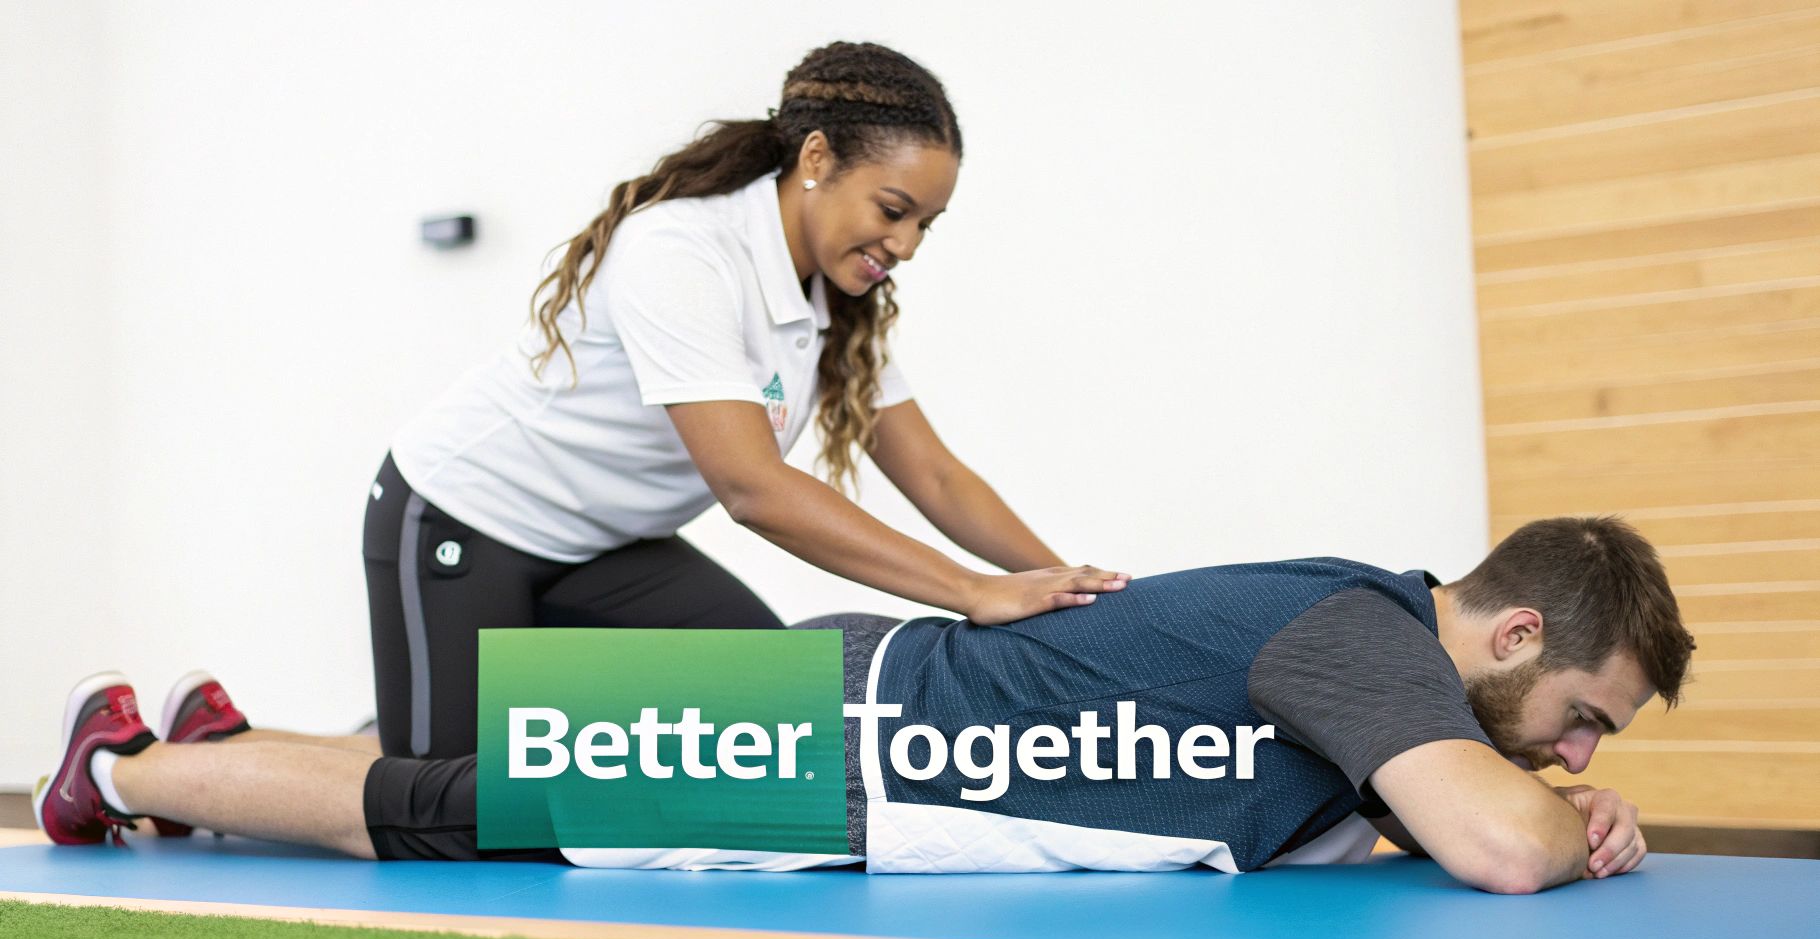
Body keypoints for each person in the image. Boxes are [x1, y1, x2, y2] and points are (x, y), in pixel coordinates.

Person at [38, 517, 1695, 894]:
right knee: (428, 815)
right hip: (817, 747)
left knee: (458, 778)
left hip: (850, 710)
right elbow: (1498, 848)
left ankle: (205, 749)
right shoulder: (1372, 637)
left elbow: (1443, 813)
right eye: (1581, 714)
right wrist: (1561, 816)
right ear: (1512, 629)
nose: (1569, 749)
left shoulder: (1364, 633)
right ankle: (121, 767)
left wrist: (1564, 798)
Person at [366, 39, 1128, 762]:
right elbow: (751, 487)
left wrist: (1077, 591)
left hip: (608, 545)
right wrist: (971, 590)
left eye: (925, 225)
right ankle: (320, 759)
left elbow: (936, 475)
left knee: (775, 722)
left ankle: (393, 739)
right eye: (893, 211)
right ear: (817, 158)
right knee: (454, 802)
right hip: (466, 516)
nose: (907, 246)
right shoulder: (683, 251)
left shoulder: (835, 302)